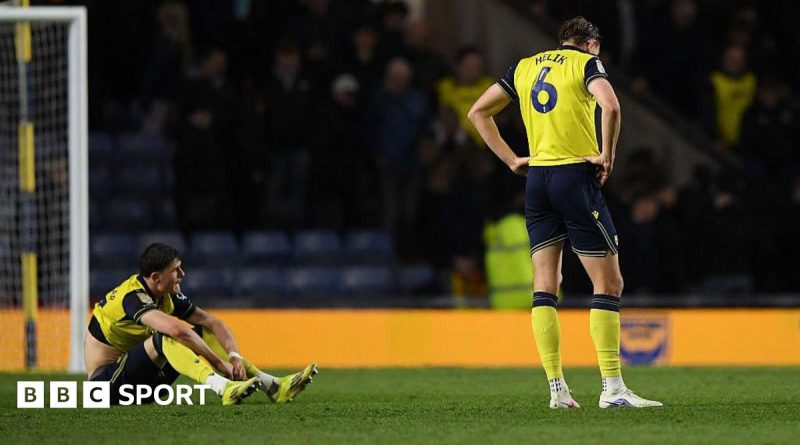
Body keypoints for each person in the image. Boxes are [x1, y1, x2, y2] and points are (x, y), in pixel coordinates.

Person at [468, 16, 661, 409]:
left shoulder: (524, 66)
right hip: (575, 176)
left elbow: (478, 112)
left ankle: (558, 389)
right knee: (608, 284)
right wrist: (607, 155)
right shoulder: (587, 64)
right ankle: (612, 388)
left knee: (545, 284)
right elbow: (611, 105)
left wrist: (510, 160)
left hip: (537, 181)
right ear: (591, 44)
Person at [84, 243, 317, 405]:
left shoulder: (165, 295)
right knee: (165, 337)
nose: (182, 274)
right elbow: (175, 331)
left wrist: (234, 357)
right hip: (105, 390)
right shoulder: (132, 298)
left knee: (198, 331)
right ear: (156, 277)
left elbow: (212, 323)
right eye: (175, 270)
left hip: (140, 385)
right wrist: (218, 364)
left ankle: (275, 387)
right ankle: (223, 388)